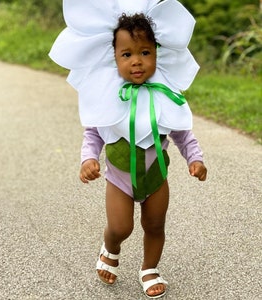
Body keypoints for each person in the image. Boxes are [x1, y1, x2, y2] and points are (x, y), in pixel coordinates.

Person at [49, 1, 207, 298]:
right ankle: (111, 246)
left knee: (154, 224)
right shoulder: (106, 95)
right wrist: (88, 160)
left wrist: (195, 159)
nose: (137, 61)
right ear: (113, 58)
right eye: (127, 54)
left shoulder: (166, 93)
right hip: (119, 178)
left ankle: (149, 268)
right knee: (121, 226)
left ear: (158, 53)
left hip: (156, 175)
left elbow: (183, 133)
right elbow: (93, 132)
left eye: (145, 53)